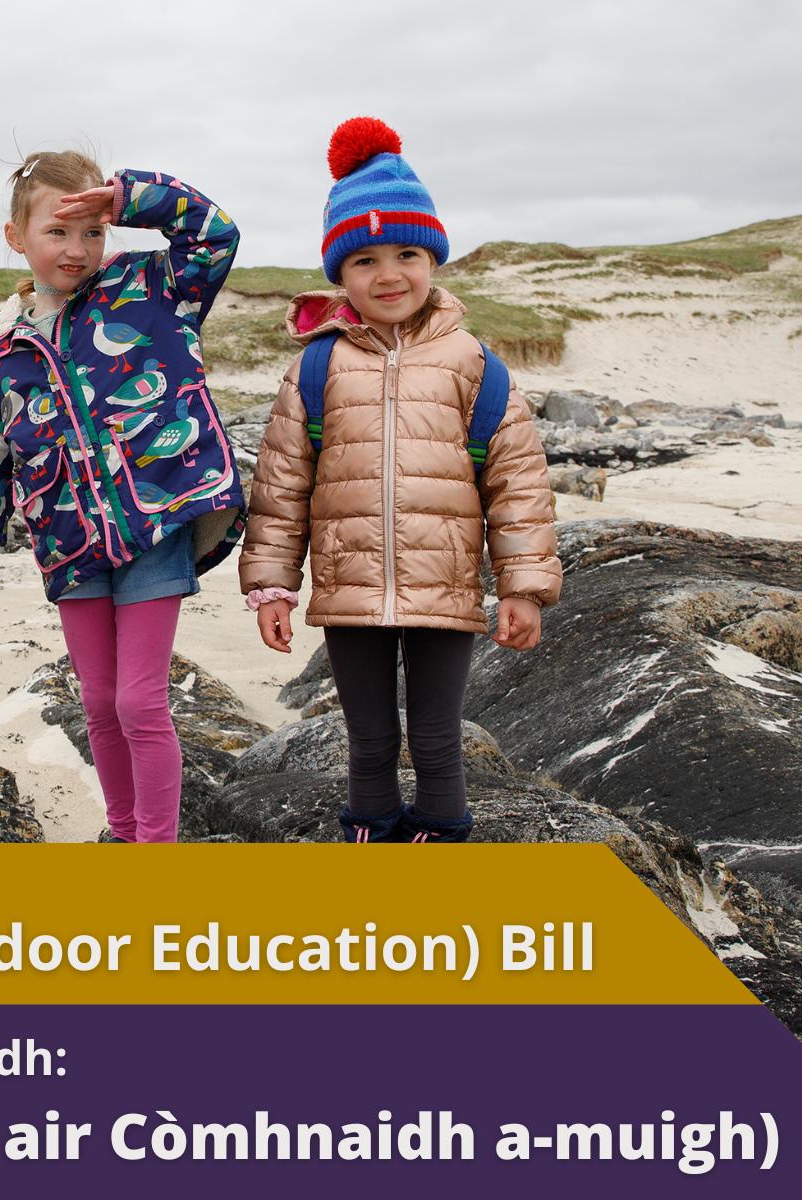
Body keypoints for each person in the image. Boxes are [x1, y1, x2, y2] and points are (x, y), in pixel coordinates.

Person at [239, 117, 562, 844]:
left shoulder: (476, 364)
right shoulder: (317, 368)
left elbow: (518, 484)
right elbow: (281, 487)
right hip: (350, 590)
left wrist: (523, 588)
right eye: (365, 261)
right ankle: (374, 837)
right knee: (370, 738)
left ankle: (443, 841)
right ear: (341, 275)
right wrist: (271, 585)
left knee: (440, 738)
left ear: (434, 260)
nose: (389, 274)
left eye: (408, 253)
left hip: (443, 585)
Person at [0, 151, 247, 843]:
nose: (77, 250)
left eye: (93, 231)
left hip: (155, 521)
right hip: (67, 543)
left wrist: (132, 198)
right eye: (57, 232)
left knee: (140, 702)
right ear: (17, 237)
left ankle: (156, 850)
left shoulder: (150, 290)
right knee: (99, 703)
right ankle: (124, 832)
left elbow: (215, 233)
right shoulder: (5, 352)